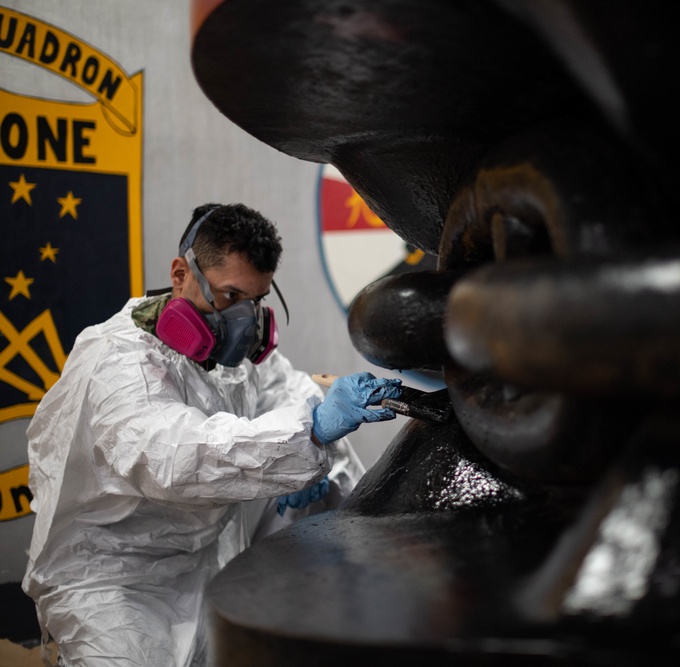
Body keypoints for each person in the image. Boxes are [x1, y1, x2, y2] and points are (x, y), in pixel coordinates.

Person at [21, 203, 402, 667]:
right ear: (181, 274)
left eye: (255, 301)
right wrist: (310, 433)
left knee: (324, 466)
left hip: (206, 559)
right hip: (115, 578)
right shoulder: (117, 361)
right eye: (228, 296)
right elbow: (173, 457)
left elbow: (285, 391)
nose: (243, 321)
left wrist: (326, 445)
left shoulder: (228, 362)